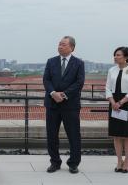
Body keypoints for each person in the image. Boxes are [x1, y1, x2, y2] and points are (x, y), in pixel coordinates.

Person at [43, 36, 85, 174]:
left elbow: (79, 83)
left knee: (74, 135)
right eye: (59, 44)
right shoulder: (51, 61)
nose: (60, 46)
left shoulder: (79, 63)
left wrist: (64, 94)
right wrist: (53, 93)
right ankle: (55, 162)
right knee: (51, 135)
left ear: (71, 47)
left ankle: (73, 163)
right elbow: (46, 79)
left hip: (70, 105)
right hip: (52, 104)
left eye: (63, 44)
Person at [105, 47, 128, 173]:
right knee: (117, 134)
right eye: (115, 55)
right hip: (114, 103)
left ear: (126, 57)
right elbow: (107, 87)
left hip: (127, 103)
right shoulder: (111, 70)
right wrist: (113, 102)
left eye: (118, 55)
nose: (115, 57)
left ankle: (127, 161)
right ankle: (119, 161)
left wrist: (121, 102)